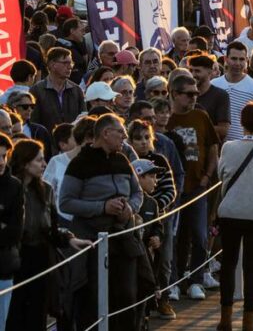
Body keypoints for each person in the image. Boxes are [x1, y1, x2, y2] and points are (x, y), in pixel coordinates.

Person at [60, 113, 144, 330]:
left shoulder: (123, 160)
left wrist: (130, 210)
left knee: (127, 294)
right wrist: (102, 208)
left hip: (122, 235)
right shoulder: (80, 164)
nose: (124, 137)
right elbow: (66, 202)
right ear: (106, 134)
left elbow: (138, 193)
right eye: (120, 132)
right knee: (94, 296)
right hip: (93, 239)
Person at [6, 139, 90, 330]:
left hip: (41, 258)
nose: (44, 164)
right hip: (15, 259)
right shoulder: (9, 189)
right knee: (14, 314)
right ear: (25, 162)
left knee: (38, 313)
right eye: (38, 160)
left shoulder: (47, 190)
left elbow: (52, 228)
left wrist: (69, 238)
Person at [216, 103, 253, 331]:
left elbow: (222, 174)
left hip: (230, 210)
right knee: (252, 267)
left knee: (228, 264)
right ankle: (249, 321)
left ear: (241, 121)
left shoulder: (228, 147)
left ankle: (226, 318)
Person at [166, 74, 221, 300]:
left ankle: (197, 279)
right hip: (173, 189)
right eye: (189, 94)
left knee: (199, 235)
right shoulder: (165, 118)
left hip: (198, 184)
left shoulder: (201, 115)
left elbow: (212, 146)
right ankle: (176, 280)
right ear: (175, 94)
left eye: (196, 93)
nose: (194, 98)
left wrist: (207, 175)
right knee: (175, 236)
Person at [131, 158, 172, 321]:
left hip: (148, 260)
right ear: (138, 177)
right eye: (152, 176)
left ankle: (145, 317)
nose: (156, 180)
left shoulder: (152, 203)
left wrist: (157, 236)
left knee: (144, 297)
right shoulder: (127, 201)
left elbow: (158, 226)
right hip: (132, 259)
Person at [30, 47, 86, 128]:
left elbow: (83, 118)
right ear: (52, 64)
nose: (70, 67)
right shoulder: (37, 90)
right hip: (46, 139)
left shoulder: (76, 90)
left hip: (71, 138)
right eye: (65, 63)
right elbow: (34, 123)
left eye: (71, 63)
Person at [0, 134, 21, 326]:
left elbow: (15, 230)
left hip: (3, 266)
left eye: (4, 156)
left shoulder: (14, 185)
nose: (0, 162)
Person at [188, 54, 231, 141]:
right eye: (191, 70)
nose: (193, 74)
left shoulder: (220, 95)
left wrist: (195, 127)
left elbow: (223, 130)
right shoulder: (185, 94)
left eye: (197, 71)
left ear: (209, 72)